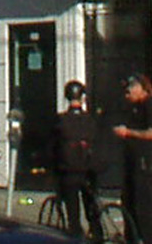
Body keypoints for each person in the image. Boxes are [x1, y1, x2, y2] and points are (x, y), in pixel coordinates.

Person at [113, 74, 152, 244]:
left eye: (129, 91)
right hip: (131, 159)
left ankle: (148, 239)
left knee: (144, 205)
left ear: (139, 88)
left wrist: (128, 132)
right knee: (128, 201)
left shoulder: (150, 105)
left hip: (143, 161)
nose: (126, 96)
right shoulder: (131, 106)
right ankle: (132, 238)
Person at [51, 80, 103, 241]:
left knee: (73, 211)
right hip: (88, 168)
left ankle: (76, 236)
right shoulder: (90, 119)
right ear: (82, 98)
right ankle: (97, 234)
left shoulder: (61, 120)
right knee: (92, 207)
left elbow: (53, 146)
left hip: (68, 169)